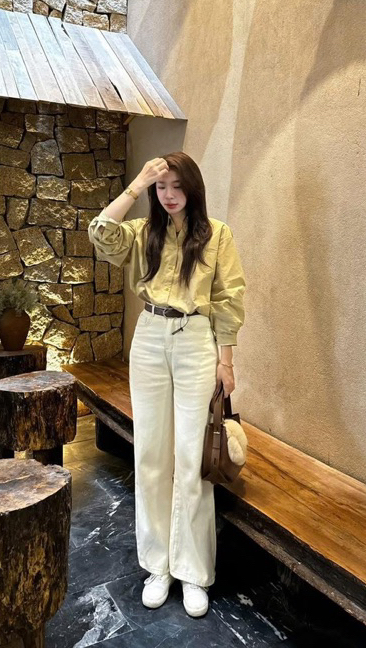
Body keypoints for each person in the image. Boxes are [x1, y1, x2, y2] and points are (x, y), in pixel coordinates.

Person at [87, 152, 246, 618]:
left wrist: (226, 361)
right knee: (151, 454)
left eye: (177, 186)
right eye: (162, 187)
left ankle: (193, 571)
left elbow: (228, 298)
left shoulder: (218, 234)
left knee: (191, 457)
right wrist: (137, 184)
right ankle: (158, 566)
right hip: (150, 337)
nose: (169, 194)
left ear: (192, 188)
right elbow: (100, 232)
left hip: (196, 339)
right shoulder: (142, 233)